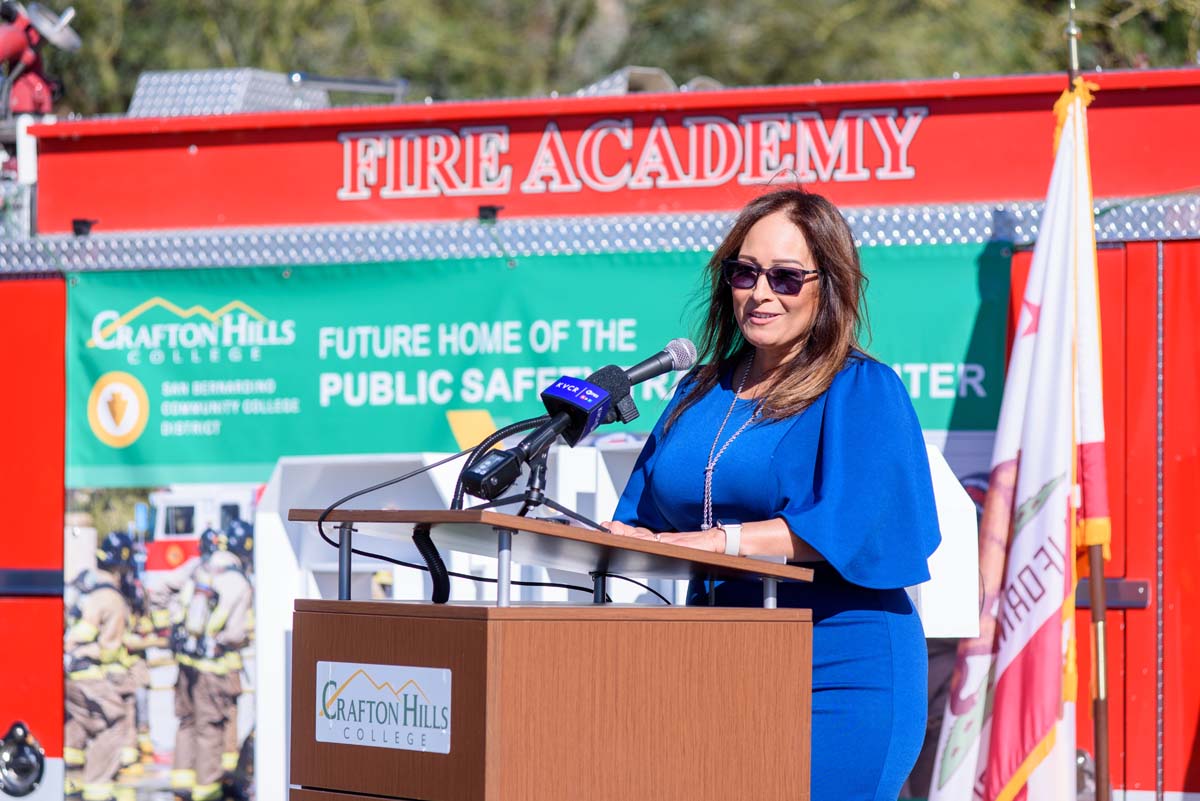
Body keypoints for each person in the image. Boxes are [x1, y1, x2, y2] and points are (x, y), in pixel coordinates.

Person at [604, 188, 941, 801]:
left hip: (837, 664)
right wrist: (621, 538)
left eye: (786, 277)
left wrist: (716, 540)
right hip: (714, 663)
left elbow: (847, 527)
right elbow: (648, 521)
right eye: (746, 272)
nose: (761, 293)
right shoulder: (696, 394)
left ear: (827, 286)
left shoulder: (862, 388)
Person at [63, 531, 137, 801]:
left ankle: (67, 776)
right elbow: (109, 649)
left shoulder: (83, 585)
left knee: (83, 719)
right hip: (88, 673)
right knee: (115, 720)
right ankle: (98, 786)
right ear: (122, 566)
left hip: (67, 670)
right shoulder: (113, 599)